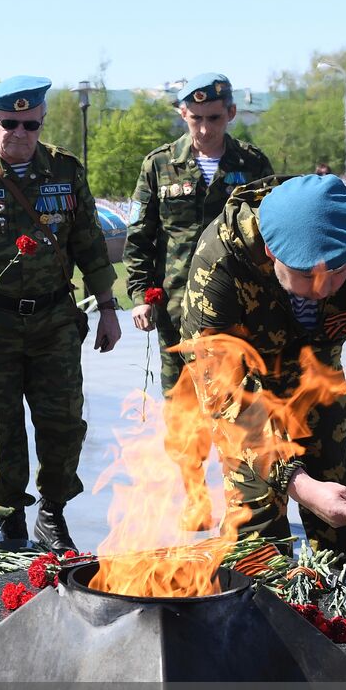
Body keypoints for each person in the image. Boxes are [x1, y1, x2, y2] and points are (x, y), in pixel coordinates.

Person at [181, 173, 346, 556]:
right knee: (256, 524)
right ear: (270, 252)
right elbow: (221, 389)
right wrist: (297, 483)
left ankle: (340, 607)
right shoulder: (220, 259)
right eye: (307, 275)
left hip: (318, 375)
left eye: (338, 272)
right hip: (246, 389)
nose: (323, 289)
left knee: (343, 520)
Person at [0, 75, 121, 553]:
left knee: (64, 423)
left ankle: (52, 512)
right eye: (9, 122)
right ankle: (10, 520)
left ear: (41, 121)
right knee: (0, 428)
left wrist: (109, 309)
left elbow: (89, 245)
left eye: (29, 124)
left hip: (55, 320)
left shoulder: (66, 171)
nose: (19, 133)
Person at [123, 72, 273, 530]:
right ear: (183, 115)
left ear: (230, 114)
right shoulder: (159, 165)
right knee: (184, 413)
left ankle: (240, 496)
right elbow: (140, 239)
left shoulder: (252, 162)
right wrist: (139, 295)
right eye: (195, 118)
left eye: (214, 118)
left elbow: (271, 234)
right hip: (177, 315)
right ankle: (194, 497)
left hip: (237, 313)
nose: (205, 128)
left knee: (238, 407)